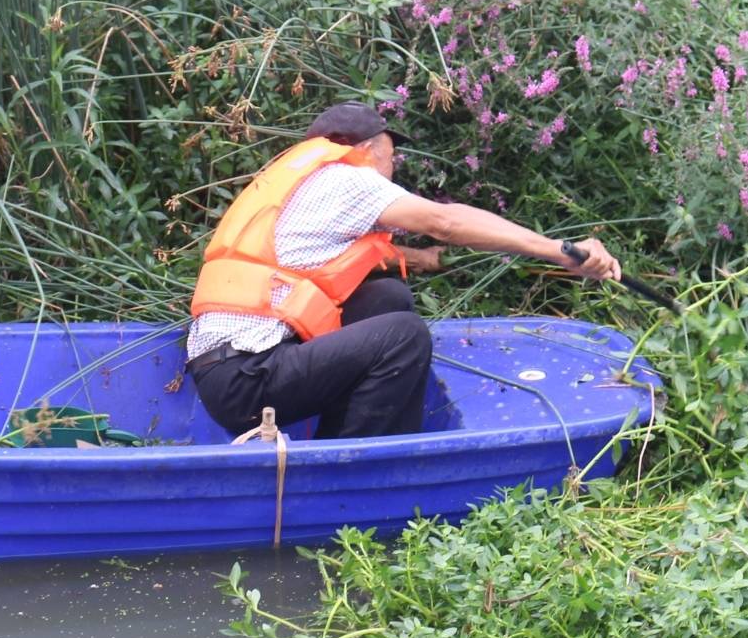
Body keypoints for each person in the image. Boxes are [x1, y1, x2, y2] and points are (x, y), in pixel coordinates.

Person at [185, 101, 621, 439]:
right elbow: (445, 221)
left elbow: (319, 265)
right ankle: (355, 466)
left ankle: (338, 439)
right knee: (404, 334)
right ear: (366, 152)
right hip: (248, 380)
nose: (392, 173)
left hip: (229, 373)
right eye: (391, 159)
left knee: (387, 299)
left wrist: (424, 260)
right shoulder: (346, 178)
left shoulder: (296, 181)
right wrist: (560, 251)